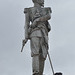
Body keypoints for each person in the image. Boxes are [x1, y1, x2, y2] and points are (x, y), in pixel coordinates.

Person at [23, 0, 52, 75]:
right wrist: (26, 37)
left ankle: (40, 73)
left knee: (43, 54)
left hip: (44, 33)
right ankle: (36, 72)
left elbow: (49, 16)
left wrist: (37, 20)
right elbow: (26, 24)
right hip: (34, 33)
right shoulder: (29, 10)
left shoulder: (46, 9)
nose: (43, 0)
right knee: (35, 53)